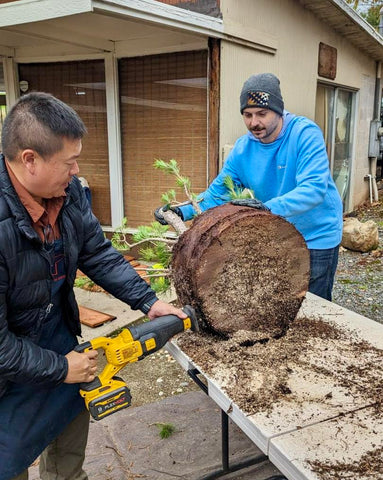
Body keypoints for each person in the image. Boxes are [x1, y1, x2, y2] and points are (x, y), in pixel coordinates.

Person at [0, 92, 186, 480]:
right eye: (69, 162)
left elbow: (97, 253)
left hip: (60, 341)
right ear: (29, 159)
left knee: (67, 460)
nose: (76, 170)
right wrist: (59, 367)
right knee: (8, 464)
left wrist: (148, 302)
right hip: (9, 375)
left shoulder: (66, 196)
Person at [155, 73, 343, 301]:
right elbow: (218, 193)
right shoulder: (243, 149)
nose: (254, 122)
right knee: (280, 301)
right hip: (278, 233)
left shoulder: (304, 134)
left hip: (316, 234)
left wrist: (264, 208)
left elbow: (313, 189)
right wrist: (181, 211)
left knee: (314, 305)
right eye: (247, 115)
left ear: (279, 110)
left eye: (262, 114)